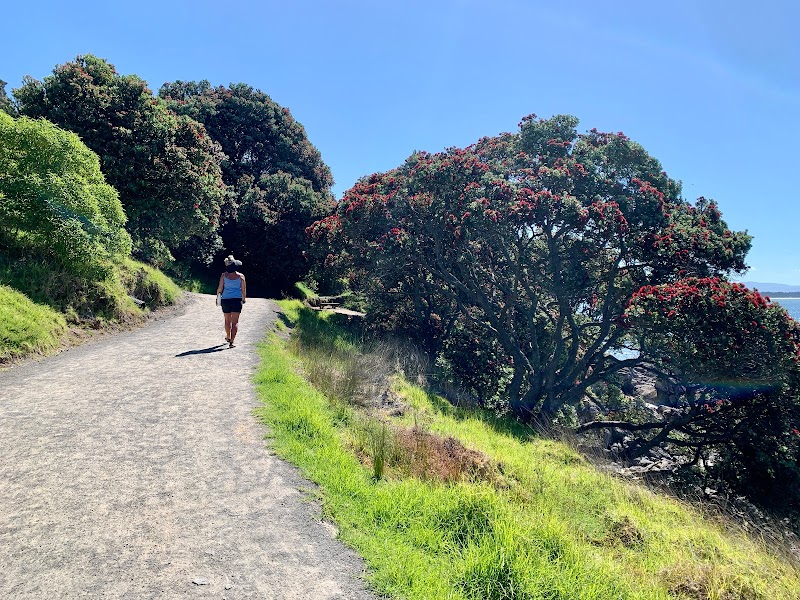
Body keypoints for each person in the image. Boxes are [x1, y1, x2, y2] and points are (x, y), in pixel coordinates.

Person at [217, 255, 246, 348]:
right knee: (235, 322)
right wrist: (243, 299)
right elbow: (243, 290)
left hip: (225, 300)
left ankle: (228, 336)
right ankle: (232, 342)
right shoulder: (241, 276)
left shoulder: (223, 275)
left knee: (227, 320)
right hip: (237, 300)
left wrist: (217, 298)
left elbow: (220, 288)